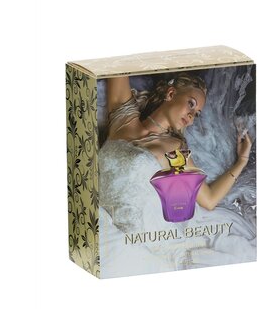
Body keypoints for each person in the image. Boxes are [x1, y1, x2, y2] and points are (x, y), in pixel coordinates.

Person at [98, 72, 256, 277]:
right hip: (99, 220)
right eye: (191, 104)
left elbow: (208, 200)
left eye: (196, 114)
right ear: (171, 93)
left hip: (132, 242)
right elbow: (118, 68)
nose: (191, 116)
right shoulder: (123, 119)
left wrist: (242, 160)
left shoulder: (175, 149)